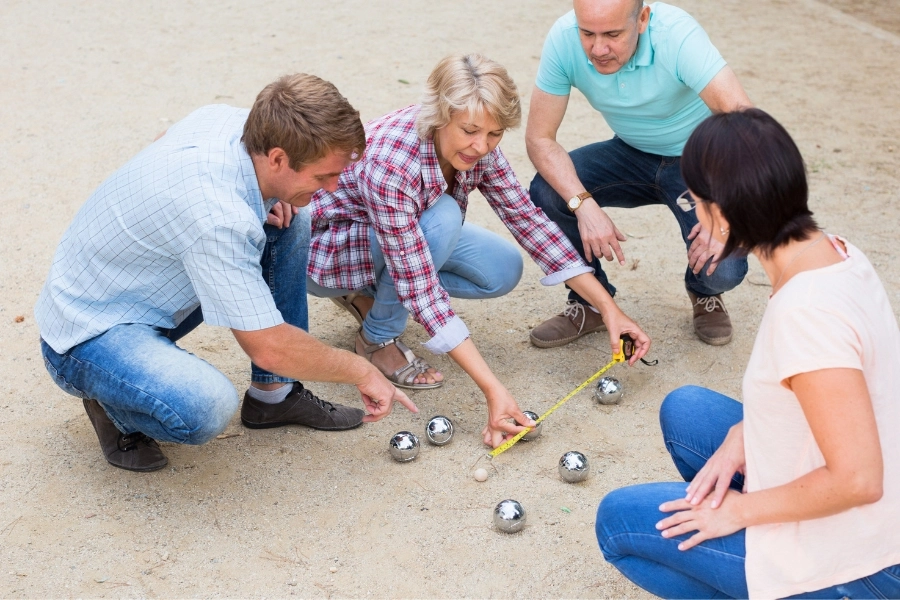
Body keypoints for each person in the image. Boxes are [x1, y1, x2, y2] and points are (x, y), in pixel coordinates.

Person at [35, 74, 417, 473]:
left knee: (290, 221)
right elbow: (269, 345)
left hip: (131, 289)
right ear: (278, 158)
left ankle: (274, 395)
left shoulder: (231, 123)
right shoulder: (219, 219)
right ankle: (113, 406)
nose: (333, 187)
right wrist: (360, 369)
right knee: (205, 407)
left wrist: (266, 198)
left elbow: (162, 139)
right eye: (323, 176)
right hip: (87, 334)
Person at [594, 109, 900, 598]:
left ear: (724, 212)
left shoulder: (807, 314)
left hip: (866, 556)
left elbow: (859, 480)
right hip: (870, 504)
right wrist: (745, 432)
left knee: (617, 525)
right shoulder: (835, 252)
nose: (694, 214)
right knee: (687, 410)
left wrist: (740, 512)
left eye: (696, 202)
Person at [307, 54, 650, 448]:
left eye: (494, 134)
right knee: (445, 217)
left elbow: (527, 220)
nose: (481, 146)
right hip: (328, 251)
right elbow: (420, 287)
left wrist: (610, 309)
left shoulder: (478, 144)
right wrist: (493, 390)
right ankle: (377, 338)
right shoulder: (392, 161)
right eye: (470, 130)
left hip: (405, 234)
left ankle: (369, 294)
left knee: (501, 269)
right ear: (439, 114)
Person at [526, 0, 753, 349]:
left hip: (699, 161)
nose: (598, 49)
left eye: (613, 34)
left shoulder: (676, 35)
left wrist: (721, 212)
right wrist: (584, 205)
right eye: (587, 33)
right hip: (630, 152)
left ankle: (703, 292)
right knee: (549, 191)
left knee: (723, 268)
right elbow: (540, 139)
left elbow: (745, 122)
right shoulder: (563, 38)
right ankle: (591, 302)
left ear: (642, 19)